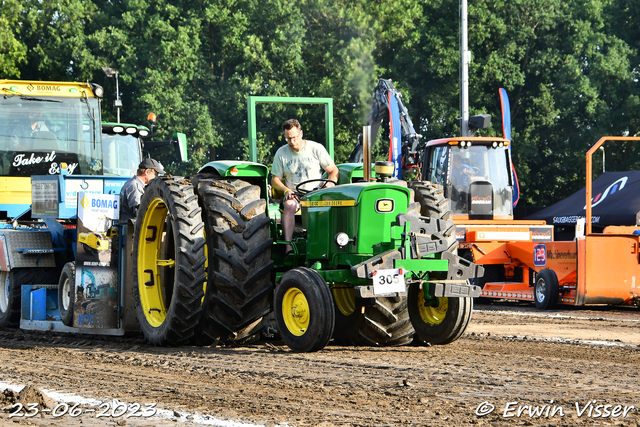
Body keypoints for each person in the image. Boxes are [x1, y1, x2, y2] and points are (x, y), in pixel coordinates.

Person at [271, 119, 339, 254]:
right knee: (289, 205)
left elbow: (333, 171)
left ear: (301, 133)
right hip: (295, 194)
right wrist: (286, 190)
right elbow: (275, 180)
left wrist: (330, 183)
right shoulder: (281, 153)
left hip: (316, 193)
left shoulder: (316, 148)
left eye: (294, 137)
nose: (292, 142)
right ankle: (288, 247)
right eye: (288, 138)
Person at [119, 158, 165, 223]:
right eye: (155, 174)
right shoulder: (135, 186)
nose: (156, 177)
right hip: (131, 229)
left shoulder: (134, 184)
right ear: (147, 172)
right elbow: (139, 212)